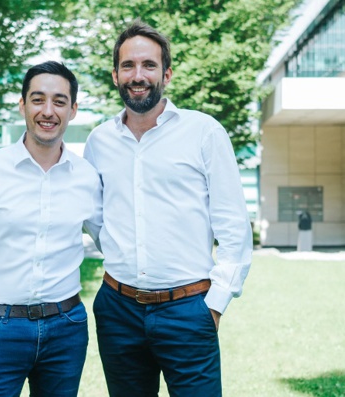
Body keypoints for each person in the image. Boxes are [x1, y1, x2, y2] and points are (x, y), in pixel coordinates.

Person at [83, 20, 252, 396]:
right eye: (127, 66)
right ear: (115, 75)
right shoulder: (98, 141)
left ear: (167, 73)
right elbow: (96, 219)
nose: (137, 75)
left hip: (189, 309)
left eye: (148, 65)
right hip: (117, 309)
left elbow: (233, 224)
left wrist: (215, 305)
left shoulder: (204, 132)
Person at [0, 61, 102, 397]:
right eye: (38, 99)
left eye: (59, 101)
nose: (48, 111)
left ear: (73, 110)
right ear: (22, 104)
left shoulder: (86, 176)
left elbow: (114, 241)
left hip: (66, 329)